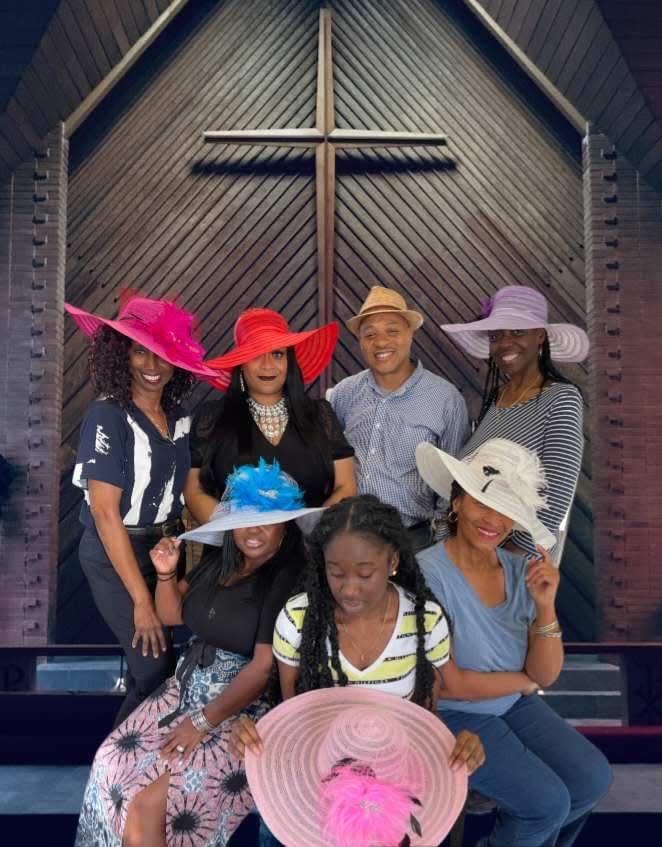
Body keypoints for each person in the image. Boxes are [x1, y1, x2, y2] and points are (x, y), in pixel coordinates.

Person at [75, 461, 319, 847]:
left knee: (149, 807)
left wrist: (203, 723)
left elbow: (262, 668)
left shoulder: (288, 578)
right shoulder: (221, 562)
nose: (252, 531)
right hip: (182, 691)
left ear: (286, 526)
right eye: (243, 519)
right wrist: (167, 573)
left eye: (266, 520)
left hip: (240, 708)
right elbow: (172, 614)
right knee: (110, 765)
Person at [231, 495, 486, 845]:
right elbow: (288, 711)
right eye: (335, 573)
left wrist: (460, 745)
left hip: (392, 793)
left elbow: (425, 718)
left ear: (393, 561)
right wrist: (252, 734)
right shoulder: (299, 618)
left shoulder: (425, 621)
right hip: (313, 784)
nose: (349, 589)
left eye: (365, 574)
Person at [415, 438, 612, 847]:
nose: (493, 520)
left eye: (507, 510)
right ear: (458, 502)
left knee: (592, 779)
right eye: (483, 503)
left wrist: (545, 607)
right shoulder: (426, 574)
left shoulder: (522, 570)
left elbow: (546, 674)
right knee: (547, 805)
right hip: (451, 714)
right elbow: (450, 685)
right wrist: (523, 682)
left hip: (511, 706)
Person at [67, 292, 220, 725]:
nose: (153, 367)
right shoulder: (108, 416)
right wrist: (141, 600)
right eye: (141, 351)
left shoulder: (178, 415)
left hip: (164, 551)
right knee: (154, 667)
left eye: (164, 355)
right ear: (122, 353)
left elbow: (188, 491)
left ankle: (122, 778)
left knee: (152, 670)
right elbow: (105, 513)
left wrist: (233, 529)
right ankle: (116, 773)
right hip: (114, 553)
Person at [441, 285, 588, 558]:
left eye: (518, 331)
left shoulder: (561, 399)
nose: (505, 342)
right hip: (459, 551)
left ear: (540, 336)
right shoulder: (496, 398)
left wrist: (498, 564)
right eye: (496, 335)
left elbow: (553, 501)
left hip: (508, 562)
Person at [185, 308, 356, 530]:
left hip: (308, 553)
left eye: (277, 354)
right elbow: (193, 489)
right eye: (256, 354)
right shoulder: (212, 418)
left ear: (289, 362)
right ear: (242, 363)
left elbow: (347, 486)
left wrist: (314, 533)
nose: (267, 365)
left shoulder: (320, 415)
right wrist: (236, 533)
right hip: (233, 552)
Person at [329, 286, 469, 551]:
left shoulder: (445, 399)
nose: (381, 342)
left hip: (412, 541)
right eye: (369, 334)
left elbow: (453, 486)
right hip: (347, 536)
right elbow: (329, 464)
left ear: (410, 334)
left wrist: (438, 549)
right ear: (360, 341)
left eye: (392, 331)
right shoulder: (344, 394)